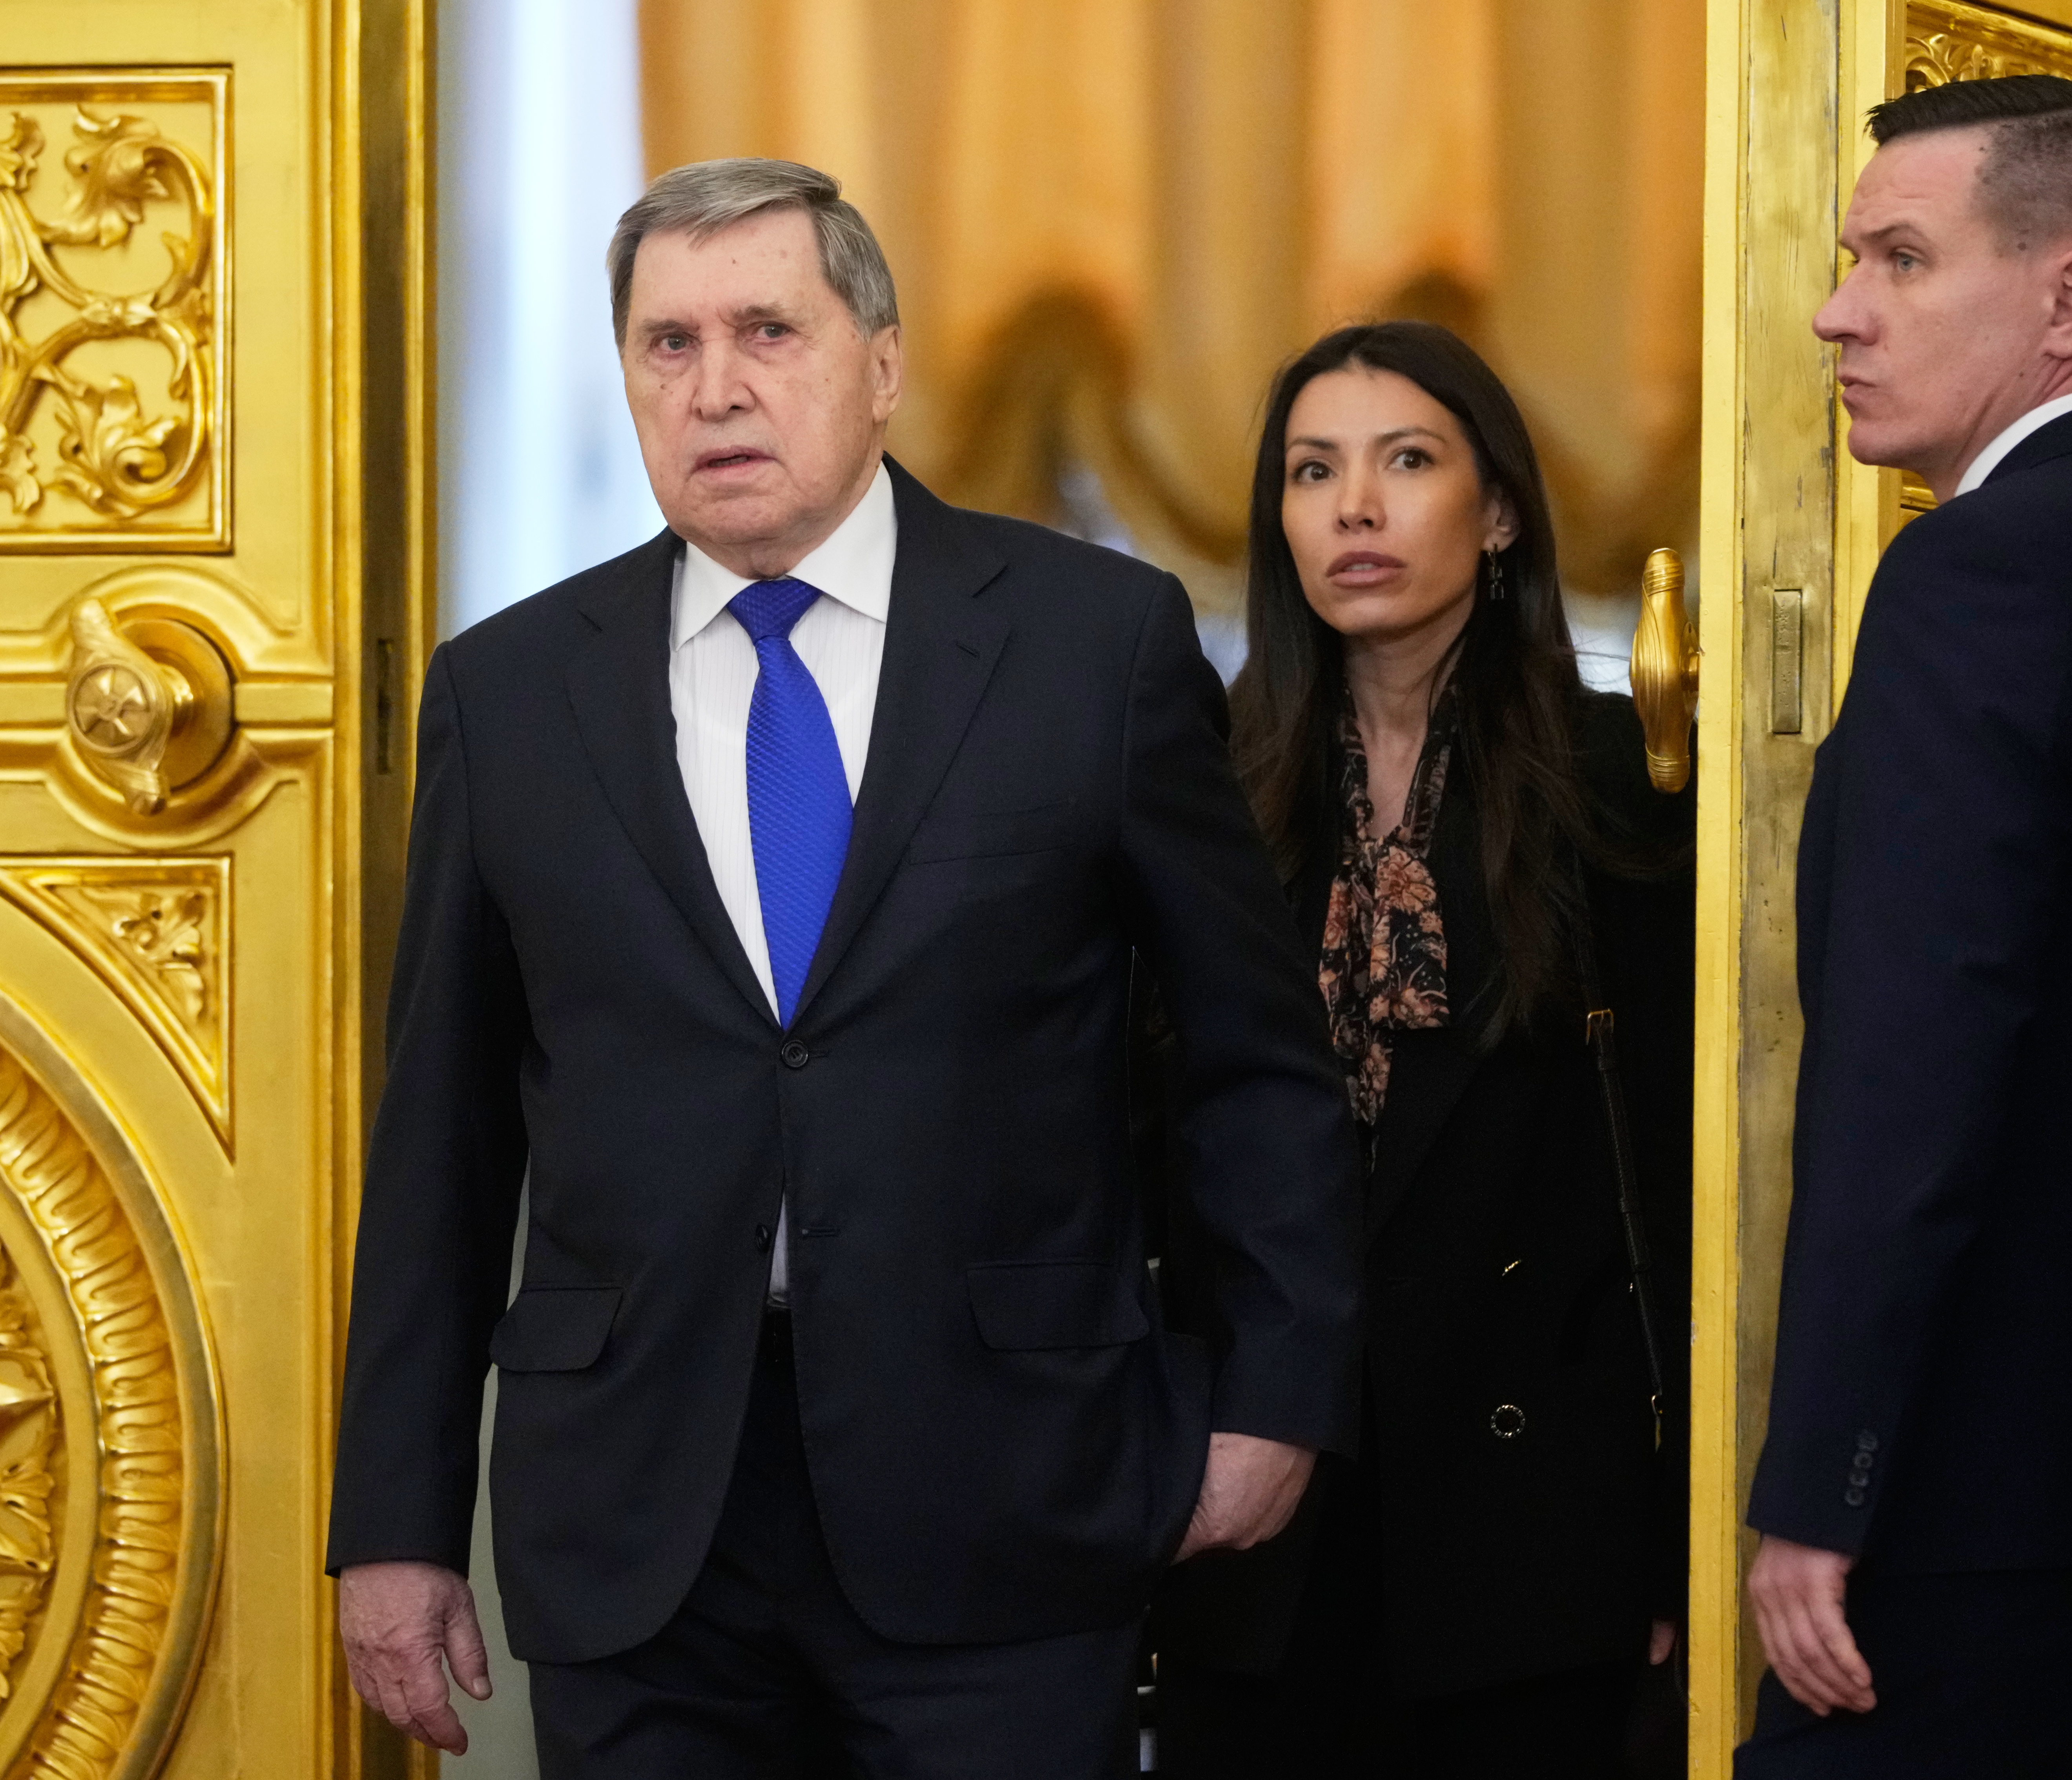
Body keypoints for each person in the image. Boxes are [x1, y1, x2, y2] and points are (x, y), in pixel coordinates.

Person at [323, 157, 1359, 1777]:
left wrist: (1274, 1399)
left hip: (1009, 1493)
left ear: (881, 365)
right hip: (642, 1516)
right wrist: (391, 1520)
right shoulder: (510, 693)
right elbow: (441, 1139)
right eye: (668, 345)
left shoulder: (1095, 645)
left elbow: (1252, 1062)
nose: (717, 386)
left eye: (766, 330)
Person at [1736, 78, 2072, 1778]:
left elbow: (1916, 1067)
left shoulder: (1982, 566)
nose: (1837, 308)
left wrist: (1821, 1486)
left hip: (1966, 1498)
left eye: (1900, 258)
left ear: (2065, 301)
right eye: (1847, 258)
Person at [1145, 321, 1693, 1780]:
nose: (1356, 509)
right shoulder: (1204, 783)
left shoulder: (1614, 781)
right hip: (1256, 1508)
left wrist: (1676, 1540)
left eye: (1407, 462)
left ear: (1498, 509)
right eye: (1314, 471)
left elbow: (1679, 1172)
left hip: (1532, 1525)